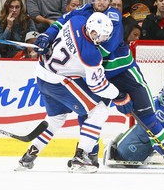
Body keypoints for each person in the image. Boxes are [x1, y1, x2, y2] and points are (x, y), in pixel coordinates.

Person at [32, 0, 164, 174]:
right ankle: (89, 154)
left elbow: (108, 47)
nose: (101, 2)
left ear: (109, 0)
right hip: (99, 75)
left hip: (123, 72)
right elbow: (62, 22)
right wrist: (47, 37)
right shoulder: (83, 12)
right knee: (90, 112)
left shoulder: (112, 17)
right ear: (92, 0)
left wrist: (81, 52)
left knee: (147, 117)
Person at [15, 12, 133, 173]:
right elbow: (97, 86)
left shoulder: (77, 21)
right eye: (100, 36)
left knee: (55, 119)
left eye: (105, 36)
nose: (102, 40)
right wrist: (118, 95)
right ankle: (80, 158)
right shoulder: (91, 54)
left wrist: (45, 37)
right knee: (99, 111)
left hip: (43, 74)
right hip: (58, 81)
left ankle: (28, 157)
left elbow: (60, 22)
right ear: (92, 30)